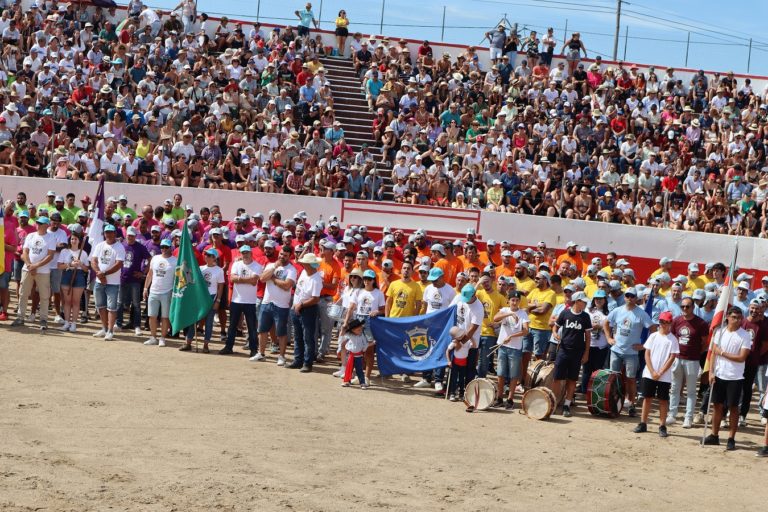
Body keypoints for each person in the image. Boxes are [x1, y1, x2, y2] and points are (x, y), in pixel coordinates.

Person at [703, 306, 752, 450]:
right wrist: (711, 372)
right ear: (727, 317)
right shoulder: (719, 332)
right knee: (717, 406)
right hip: (719, 374)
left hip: (735, 377)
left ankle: (731, 438)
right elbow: (713, 354)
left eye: (739, 317)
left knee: (733, 407)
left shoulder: (745, 335)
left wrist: (722, 353)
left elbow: (742, 357)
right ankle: (714, 435)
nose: (737, 320)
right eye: (734, 317)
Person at [604, 287, 654, 417]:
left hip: (631, 353)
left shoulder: (641, 313)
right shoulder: (617, 310)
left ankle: (631, 405)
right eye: (627, 295)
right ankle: (613, 403)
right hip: (616, 350)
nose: (630, 298)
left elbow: (653, 328)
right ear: (625, 297)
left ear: (636, 298)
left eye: (632, 296)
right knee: (613, 377)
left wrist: (644, 346)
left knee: (631, 379)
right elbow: (606, 322)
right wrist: (609, 338)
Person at [633, 311, 679, 437]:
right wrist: (652, 371)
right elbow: (647, 353)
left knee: (663, 400)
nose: (663, 324)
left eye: (666, 322)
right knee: (647, 398)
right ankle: (643, 423)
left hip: (664, 376)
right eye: (662, 321)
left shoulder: (673, 339)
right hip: (649, 373)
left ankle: (662, 425)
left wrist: (660, 372)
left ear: (670, 323)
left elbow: (672, 357)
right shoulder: (653, 336)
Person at [668, 296, 710, 428]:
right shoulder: (676, 321)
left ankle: (688, 417)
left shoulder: (701, 323)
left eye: (687, 306)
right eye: (682, 306)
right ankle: (672, 414)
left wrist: (697, 353)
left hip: (692, 360)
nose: (685, 309)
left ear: (693, 307)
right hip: (677, 358)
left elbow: (705, 342)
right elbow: (673, 338)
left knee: (691, 391)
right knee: (675, 387)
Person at [255, 245, 297, 365]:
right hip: (267, 302)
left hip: (282, 305)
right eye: (281, 254)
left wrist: (273, 279)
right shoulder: (270, 265)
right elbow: (262, 279)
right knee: (262, 330)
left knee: (281, 332)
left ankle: (282, 356)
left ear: (290, 256)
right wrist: (274, 267)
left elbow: (287, 286)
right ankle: (261, 353)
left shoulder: (292, 270)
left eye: (285, 255)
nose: (282, 257)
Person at [552, 291, 592, 417]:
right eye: (583, 301)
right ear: (577, 301)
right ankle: (554, 401)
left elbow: (588, 336)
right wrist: (554, 333)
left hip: (577, 352)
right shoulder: (565, 313)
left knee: (572, 379)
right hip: (563, 350)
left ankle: (567, 405)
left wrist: (586, 353)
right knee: (557, 378)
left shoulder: (585, 316)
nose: (585, 304)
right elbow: (555, 327)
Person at [13, 216, 55, 330]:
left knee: (44, 296)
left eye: (41, 223)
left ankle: (43, 320)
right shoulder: (30, 236)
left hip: (43, 271)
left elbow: (50, 255)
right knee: (23, 293)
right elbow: (25, 252)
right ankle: (20, 317)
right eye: (37, 222)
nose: (38, 224)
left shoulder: (51, 237)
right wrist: (29, 265)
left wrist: (36, 265)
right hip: (27, 269)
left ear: (47, 225)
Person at [220, 244, 262, 356]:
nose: (245, 255)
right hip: (236, 300)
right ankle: (229, 347)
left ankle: (253, 349)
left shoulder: (257, 266)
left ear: (251, 253)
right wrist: (246, 279)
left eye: (247, 252)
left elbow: (254, 281)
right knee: (232, 325)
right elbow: (232, 279)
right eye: (243, 253)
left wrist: (239, 279)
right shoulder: (236, 264)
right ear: (241, 254)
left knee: (252, 327)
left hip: (250, 301)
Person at [179, 248, 224, 353]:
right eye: (206, 254)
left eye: (209, 255)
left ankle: (206, 345)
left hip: (211, 297)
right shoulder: (200, 268)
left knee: (209, 322)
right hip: (200, 297)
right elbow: (193, 281)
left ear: (214, 258)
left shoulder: (219, 270)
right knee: (194, 320)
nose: (206, 256)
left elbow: (220, 287)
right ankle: (188, 343)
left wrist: (218, 301)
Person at [492, 290, 529, 409]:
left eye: (517, 300)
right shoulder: (504, 310)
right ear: (509, 301)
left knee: (513, 375)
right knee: (501, 373)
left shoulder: (523, 313)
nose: (515, 302)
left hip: (515, 348)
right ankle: (499, 397)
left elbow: (525, 331)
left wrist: (511, 336)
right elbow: (496, 318)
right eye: (513, 300)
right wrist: (509, 314)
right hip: (503, 346)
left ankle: (510, 399)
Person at [448, 284, 484, 407]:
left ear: (474, 295)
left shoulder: (478, 308)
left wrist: (460, 343)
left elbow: (471, 330)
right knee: (455, 369)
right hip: (457, 340)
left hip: (471, 344)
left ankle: (467, 394)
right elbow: (450, 313)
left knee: (469, 370)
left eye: (467, 298)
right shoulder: (460, 298)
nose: (464, 300)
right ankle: (453, 391)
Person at [288, 252, 323, 372]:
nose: (302, 264)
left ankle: (307, 362)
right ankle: (299, 360)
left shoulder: (316, 279)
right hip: (298, 306)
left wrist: (301, 304)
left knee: (307, 337)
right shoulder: (305, 272)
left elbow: (315, 299)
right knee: (298, 336)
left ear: (308, 264)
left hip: (307, 309)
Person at [90, 225, 126, 340]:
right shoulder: (100, 245)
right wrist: (99, 273)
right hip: (99, 281)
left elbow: (119, 264)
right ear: (104, 233)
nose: (108, 234)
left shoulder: (119, 247)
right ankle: (104, 328)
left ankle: (110, 331)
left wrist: (103, 274)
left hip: (113, 283)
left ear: (115, 233)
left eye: (110, 232)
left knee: (111, 307)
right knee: (100, 306)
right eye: (107, 232)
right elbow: (94, 260)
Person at [143, 239, 177, 347]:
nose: (164, 249)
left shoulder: (175, 261)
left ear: (170, 248)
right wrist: (145, 288)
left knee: (165, 317)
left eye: (166, 247)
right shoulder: (155, 258)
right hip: (153, 290)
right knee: (152, 316)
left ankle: (162, 337)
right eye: (162, 247)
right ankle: (153, 337)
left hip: (167, 291)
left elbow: (178, 278)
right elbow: (150, 274)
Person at [57, 233, 89, 333]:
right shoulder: (64, 251)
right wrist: (70, 264)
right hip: (67, 274)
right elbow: (59, 266)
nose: (73, 241)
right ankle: (67, 322)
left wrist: (80, 264)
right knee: (67, 301)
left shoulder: (83, 253)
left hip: (79, 276)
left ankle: (74, 323)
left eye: (75, 239)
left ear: (79, 241)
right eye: (71, 239)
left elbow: (86, 269)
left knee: (75, 301)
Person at [580, 290, 610, 393]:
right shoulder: (588, 311)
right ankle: (584, 391)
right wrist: (590, 326)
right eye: (596, 299)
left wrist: (600, 327)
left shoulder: (608, 313)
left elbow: (611, 329)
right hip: (588, 344)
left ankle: (595, 392)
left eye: (601, 299)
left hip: (601, 346)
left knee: (598, 370)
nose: (598, 300)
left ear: (605, 300)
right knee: (586, 370)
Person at [340, 318, 372, 389]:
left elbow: (365, 344)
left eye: (361, 329)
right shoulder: (350, 335)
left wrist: (368, 345)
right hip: (351, 356)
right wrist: (343, 328)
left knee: (359, 370)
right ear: (353, 330)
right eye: (358, 330)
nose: (360, 331)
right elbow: (342, 334)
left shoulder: (362, 336)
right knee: (349, 369)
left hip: (359, 356)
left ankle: (362, 382)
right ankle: (346, 381)